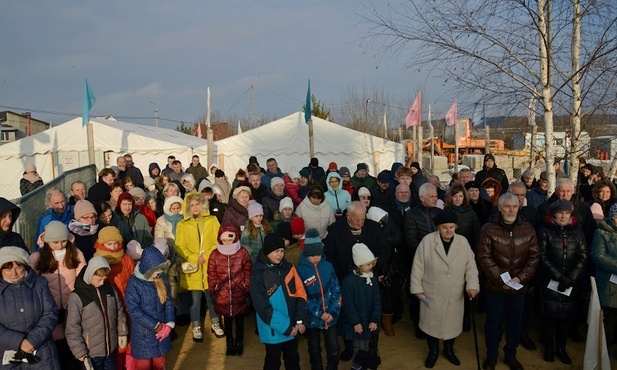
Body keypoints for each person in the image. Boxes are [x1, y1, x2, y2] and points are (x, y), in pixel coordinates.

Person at [476, 192, 540, 370]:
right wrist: (500, 280)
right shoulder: (488, 229)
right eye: (507, 206)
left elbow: (534, 257)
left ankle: (510, 355)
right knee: (493, 323)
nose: (511, 210)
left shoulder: (528, 229)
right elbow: (484, 257)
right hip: (495, 288)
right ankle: (491, 356)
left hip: (519, 287)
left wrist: (520, 278)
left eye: (514, 206)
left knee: (515, 323)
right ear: (500, 207)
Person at [410, 210, 479, 368]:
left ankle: (449, 350)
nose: (449, 231)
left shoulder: (462, 242)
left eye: (451, 227)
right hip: (431, 293)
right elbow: (417, 266)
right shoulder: (427, 242)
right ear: (438, 228)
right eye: (444, 227)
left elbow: (471, 267)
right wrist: (417, 289)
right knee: (430, 325)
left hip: (455, 293)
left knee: (452, 324)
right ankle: (433, 351)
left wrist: (472, 286)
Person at [29, 221, 86, 369]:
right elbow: (31, 284)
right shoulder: (37, 258)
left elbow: (82, 279)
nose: (60, 245)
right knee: (55, 345)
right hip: (49, 307)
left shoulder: (75, 254)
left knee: (72, 343)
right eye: (55, 242)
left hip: (71, 305)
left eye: (63, 241)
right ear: (47, 241)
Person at [537, 199, 586, 364]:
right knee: (550, 317)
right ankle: (549, 348)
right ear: (554, 214)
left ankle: (561, 348)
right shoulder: (545, 230)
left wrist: (571, 277)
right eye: (560, 213)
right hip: (551, 281)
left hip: (570, 283)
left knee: (565, 319)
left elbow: (582, 256)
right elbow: (542, 256)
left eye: (567, 213)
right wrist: (559, 277)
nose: (564, 216)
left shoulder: (577, 231)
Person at [250, 233, 307, 370]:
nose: (280, 254)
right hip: (273, 331)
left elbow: (300, 293)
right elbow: (262, 308)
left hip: (292, 327)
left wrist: (299, 320)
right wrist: (287, 328)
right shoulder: (258, 275)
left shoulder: (289, 268)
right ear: (268, 251)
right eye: (276, 251)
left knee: (293, 361)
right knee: (272, 362)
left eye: (282, 251)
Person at [0, 246, 61, 369]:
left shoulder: (39, 284)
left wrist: (33, 340)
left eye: (19, 267)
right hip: (9, 356)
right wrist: (19, 342)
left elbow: (50, 313)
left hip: (42, 353)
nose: (14, 273)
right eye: (8, 269)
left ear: (25, 266)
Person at [175, 193, 223, 342]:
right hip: (193, 270)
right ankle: (196, 326)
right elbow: (180, 246)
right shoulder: (182, 224)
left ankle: (215, 323)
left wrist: (207, 256)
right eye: (192, 205)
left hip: (210, 267)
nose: (195, 208)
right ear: (188, 207)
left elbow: (218, 240)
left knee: (211, 298)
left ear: (203, 204)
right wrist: (195, 258)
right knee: (195, 300)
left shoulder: (212, 220)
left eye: (198, 204)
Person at [65, 256, 128, 370]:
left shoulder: (109, 289)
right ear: (90, 274)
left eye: (104, 279)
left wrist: (122, 331)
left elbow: (119, 311)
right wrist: (80, 353)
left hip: (110, 350)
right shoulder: (77, 296)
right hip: (90, 353)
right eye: (99, 279)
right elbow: (72, 327)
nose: (102, 282)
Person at [296, 229, 342, 370]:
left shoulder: (328, 266)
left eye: (318, 254)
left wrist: (333, 313)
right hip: (313, 319)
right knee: (314, 347)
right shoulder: (301, 270)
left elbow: (336, 291)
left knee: (333, 347)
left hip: (330, 318)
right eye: (312, 255)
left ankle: (332, 367)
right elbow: (303, 296)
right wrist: (319, 313)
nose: (316, 258)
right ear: (306, 254)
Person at [124, 246, 175, 370]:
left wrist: (169, 323)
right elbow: (134, 311)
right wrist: (156, 325)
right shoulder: (134, 283)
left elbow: (168, 302)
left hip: (162, 333)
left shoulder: (161, 278)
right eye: (156, 271)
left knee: (160, 363)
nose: (158, 273)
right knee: (143, 366)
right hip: (143, 335)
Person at [404, 182, 443, 338]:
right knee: (419, 296)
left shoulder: (441, 213)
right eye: (432, 196)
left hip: (440, 263)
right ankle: (419, 325)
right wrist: (428, 257)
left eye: (436, 196)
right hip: (420, 263)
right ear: (422, 198)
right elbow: (411, 241)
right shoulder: (411, 215)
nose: (435, 199)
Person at [207, 224, 252, 356]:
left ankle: (239, 342)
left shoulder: (242, 252)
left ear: (235, 238)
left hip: (239, 293)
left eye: (230, 240)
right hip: (223, 294)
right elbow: (211, 274)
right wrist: (213, 289)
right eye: (224, 240)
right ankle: (229, 343)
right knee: (227, 321)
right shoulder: (215, 254)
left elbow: (248, 270)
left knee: (239, 321)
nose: (227, 243)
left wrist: (245, 286)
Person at [340, 243, 381, 370]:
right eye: (368, 264)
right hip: (356, 323)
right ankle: (357, 367)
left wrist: (374, 319)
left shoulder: (372, 279)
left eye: (372, 264)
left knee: (367, 346)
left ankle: (364, 365)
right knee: (358, 347)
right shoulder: (349, 281)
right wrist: (355, 322)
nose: (371, 267)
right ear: (359, 265)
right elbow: (348, 305)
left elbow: (377, 301)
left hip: (369, 321)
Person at [592, 203, 617, 357]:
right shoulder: (601, 232)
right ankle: (604, 354)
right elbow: (598, 256)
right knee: (609, 321)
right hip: (608, 284)